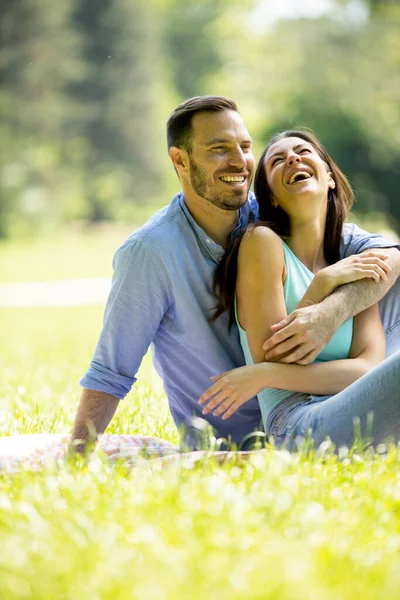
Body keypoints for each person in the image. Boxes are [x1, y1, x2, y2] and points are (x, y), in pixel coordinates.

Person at [72, 97, 400, 452]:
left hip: (338, 398)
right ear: (179, 160)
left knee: (383, 281)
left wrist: (329, 311)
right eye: (219, 149)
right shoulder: (151, 254)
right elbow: (110, 370)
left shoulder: (275, 213)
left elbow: (389, 258)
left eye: (244, 147)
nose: (239, 161)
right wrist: (75, 455)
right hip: (246, 432)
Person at [199, 129, 400, 449]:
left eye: (303, 151)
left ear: (331, 178)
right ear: (273, 197)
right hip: (295, 422)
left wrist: (264, 376)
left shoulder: (353, 262)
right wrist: (321, 285)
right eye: (278, 161)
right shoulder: (262, 242)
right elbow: (275, 354)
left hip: (358, 408)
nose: (293, 158)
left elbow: (367, 367)